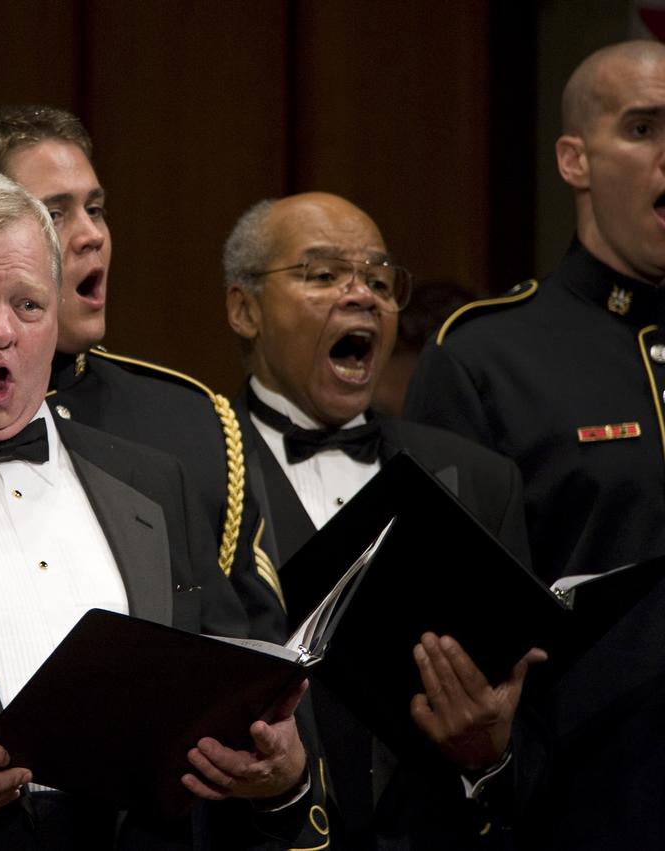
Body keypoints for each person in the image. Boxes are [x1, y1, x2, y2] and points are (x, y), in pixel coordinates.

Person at [0, 168, 323, 850]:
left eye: (28, 305)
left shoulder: (154, 482)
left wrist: (276, 771)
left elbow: (236, 695)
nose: (1, 331)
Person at [0, 107, 284, 636]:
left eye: (97, 209)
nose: (92, 235)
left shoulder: (188, 432)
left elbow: (243, 653)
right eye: (55, 213)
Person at [402, 39, 665, 849]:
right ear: (574, 160)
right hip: (588, 812)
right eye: (645, 128)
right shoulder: (486, 357)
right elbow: (439, 635)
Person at [224, 191, 545, 849]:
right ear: (245, 307)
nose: (362, 295)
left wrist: (488, 753)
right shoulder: (190, 469)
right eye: (322, 274)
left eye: (378, 278)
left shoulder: (481, 479)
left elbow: (536, 730)